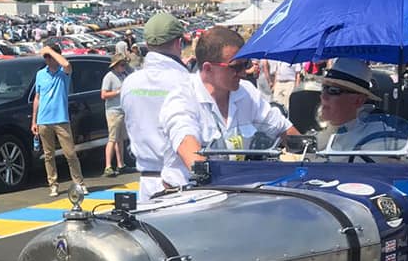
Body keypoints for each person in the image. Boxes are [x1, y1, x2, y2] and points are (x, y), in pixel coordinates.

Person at [159, 26, 299, 189]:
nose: (243, 73)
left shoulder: (246, 92)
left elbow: (283, 128)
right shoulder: (181, 99)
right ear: (208, 68)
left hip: (234, 192)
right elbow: (191, 152)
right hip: (188, 196)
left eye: (246, 64)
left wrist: (309, 157)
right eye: (235, 67)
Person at [120, 11, 190, 204]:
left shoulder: (130, 83)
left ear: (148, 44)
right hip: (181, 179)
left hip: (146, 181)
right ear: (178, 43)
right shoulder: (186, 81)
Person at [32, 43, 85, 198]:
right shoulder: (40, 74)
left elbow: (67, 64)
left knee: (70, 153)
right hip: (44, 119)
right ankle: (53, 184)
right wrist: (34, 120)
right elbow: (37, 97)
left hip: (61, 119)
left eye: (50, 57)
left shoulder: (63, 72)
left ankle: (79, 183)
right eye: (46, 57)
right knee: (49, 155)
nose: (48, 60)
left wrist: (50, 50)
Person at [315, 58, 378, 150]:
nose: (323, 96)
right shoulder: (316, 138)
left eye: (333, 90)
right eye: (324, 88)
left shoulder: (376, 139)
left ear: (358, 101)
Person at [101, 53, 130, 176]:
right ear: (115, 65)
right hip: (113, 111)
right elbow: (103, 95)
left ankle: (121, 164)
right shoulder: (109, 77)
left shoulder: (123, 75)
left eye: (124, 65)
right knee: (112, 138)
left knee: (120, 139)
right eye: (122, 65)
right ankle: (108, 166)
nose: (124, 67)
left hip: (122, 110)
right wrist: (118, 92)